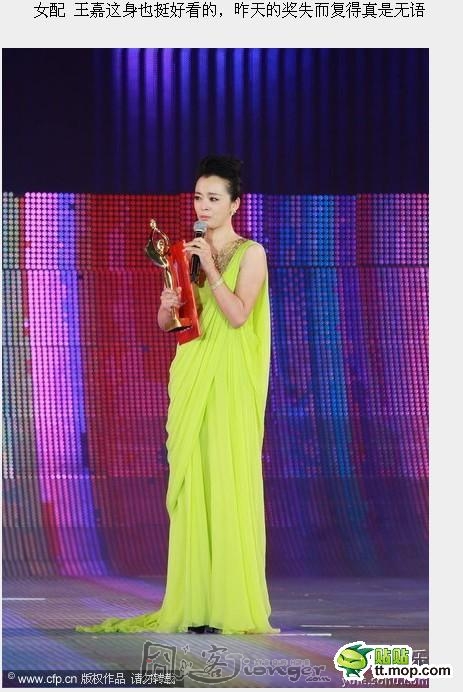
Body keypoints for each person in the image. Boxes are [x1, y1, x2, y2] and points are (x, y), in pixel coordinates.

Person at [76, 155, 279, 635]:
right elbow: (171, 324)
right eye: (198, 198)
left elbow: (238, 316)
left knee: (226, 482)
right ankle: (194, 606)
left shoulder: (251, 253)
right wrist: (168, 306)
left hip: (230, 380)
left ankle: (229, 606)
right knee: (193, 485)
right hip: (191, 371)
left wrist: (211, 266)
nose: (203, 206)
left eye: (214, 198)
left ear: (234, 204)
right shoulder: (182, 253)